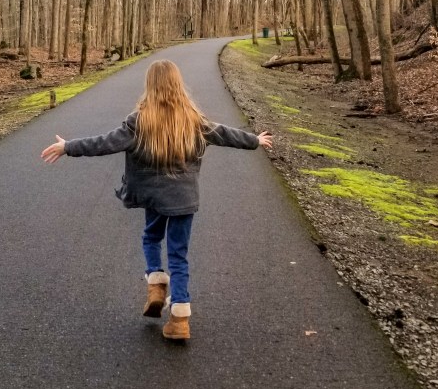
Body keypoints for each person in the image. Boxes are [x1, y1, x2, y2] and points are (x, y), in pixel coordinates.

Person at [41, 59, 272, 341]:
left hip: (154, 197)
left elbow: (104, 143)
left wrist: (68, 147)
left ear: (149, 85)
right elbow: (225, 134)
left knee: (151, 238)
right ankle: (180, 319)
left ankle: (156, 285)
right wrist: (254, 140)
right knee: (179, 256)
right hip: (184, 200)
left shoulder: (139, 121)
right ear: (177, 83)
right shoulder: (194, 120)